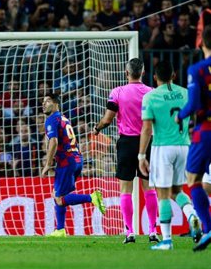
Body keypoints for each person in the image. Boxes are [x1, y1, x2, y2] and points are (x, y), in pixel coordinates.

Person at [138, 60, 201, 250]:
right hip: (184, 146)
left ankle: (166, 240)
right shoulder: (186, 93)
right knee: (177, 191)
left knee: (163, 194)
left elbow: (147, 128)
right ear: (173, 75)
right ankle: (192, 215)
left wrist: (142, 155)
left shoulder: (150, 97)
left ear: (155, 77)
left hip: (162, 147)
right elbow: (195, 116)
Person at [94, 58, 158, 244]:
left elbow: (107, 120)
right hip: (147, 142)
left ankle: (130, 232)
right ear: (143, 72)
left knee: (126, 189)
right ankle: (152, 231)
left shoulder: (117, 92)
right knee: (149, 188)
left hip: (127, 143)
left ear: (126, 72)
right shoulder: (151, 93)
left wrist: (97, 129)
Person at [41, 93, 105, 236]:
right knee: (59, 194)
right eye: (43, 102)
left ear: (56, 103)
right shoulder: (64, 118)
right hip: (76, 159)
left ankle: (92, 197)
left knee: (59, 198)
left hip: (66, 162)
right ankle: (60, 230)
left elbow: (54, 142)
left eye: (48, 101)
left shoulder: (51, 119)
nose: (43, 104)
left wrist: (48, 163)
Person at [176, 26, 211, 251]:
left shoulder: (197, 69)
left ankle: (208, 228)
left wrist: (179, 116)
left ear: (202, 42)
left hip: (206, 129)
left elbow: (193, 104)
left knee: (193, 179)